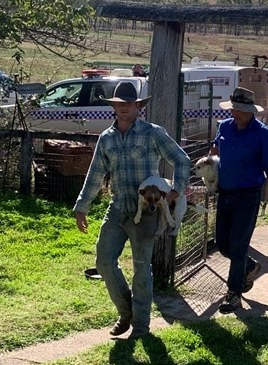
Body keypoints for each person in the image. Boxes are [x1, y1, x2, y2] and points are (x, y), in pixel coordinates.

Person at [73, 81, 190, 339]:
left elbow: (181, 159)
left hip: (145, 213)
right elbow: (96, 173)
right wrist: (82, 206)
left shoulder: (152, 133)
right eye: (119, 104)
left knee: (141, 269)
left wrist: (175, 191)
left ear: (138, 106)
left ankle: (141, 327)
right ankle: (127, 312)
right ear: (114, 107)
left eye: (129, 104)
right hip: (117, 209)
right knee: (104, 262)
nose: (124, 108)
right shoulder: (107, 138)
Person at [210, 87, 268, 314]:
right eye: (233, 108)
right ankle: (249, 266)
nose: (235, 113)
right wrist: (210, 173)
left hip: (248, 196)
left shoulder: (262, 134)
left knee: (238, 246)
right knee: (222, 242)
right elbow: (215, 150)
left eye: (240, 109)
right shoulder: (224, 127)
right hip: (225, 193)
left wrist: (265, 199)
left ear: (251, 111)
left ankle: (234, 294)